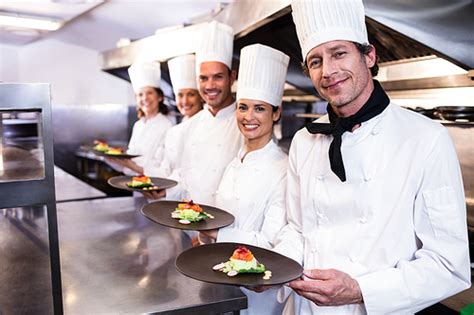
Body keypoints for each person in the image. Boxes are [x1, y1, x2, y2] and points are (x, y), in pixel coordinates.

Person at [273, 0, 471, 314]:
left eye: (339, 53)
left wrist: (359, 290)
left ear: (369, 55)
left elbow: (448, 265)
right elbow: (297, 230)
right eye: (315, 61)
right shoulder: (304, 140)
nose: (329, 71)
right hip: (307, 309)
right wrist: (273, 269)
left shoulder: (426, 138)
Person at [198, 44, 290, 315]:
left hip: (257, 296)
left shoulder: (283, 169)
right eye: (243, 107)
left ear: (276, 113)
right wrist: (204, 239)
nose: (248, 117)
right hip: (221, 282)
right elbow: (217, 216)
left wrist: (216, 234)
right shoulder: (234, 162)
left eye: (259, 109)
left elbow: (274, 243)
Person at [146, 21, 242, 205]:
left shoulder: (244, 125)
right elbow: (184, 177)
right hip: (191, 220)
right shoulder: (190, 126)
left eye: (218, 77)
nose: (210, 85)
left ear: (232, 77)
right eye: (203, 78)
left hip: (227, 228)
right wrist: (164, 192)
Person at [143, 54, 203, 178]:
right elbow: (166, 171)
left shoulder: (206, 127)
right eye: (180, 95)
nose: (185, 101)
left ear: (201, 97)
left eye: (191, 94)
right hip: (173, 194)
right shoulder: (175, 131)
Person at [107, 61, 173, 175]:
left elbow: (165, 170)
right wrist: (112, 159)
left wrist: (132, 166)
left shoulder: (168, 127)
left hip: (155, 189)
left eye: (149, 93)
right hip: (133, 185)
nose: (145, 98)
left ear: (160, 97)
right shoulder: (138, 125)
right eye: (140, 94)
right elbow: (127, 167)